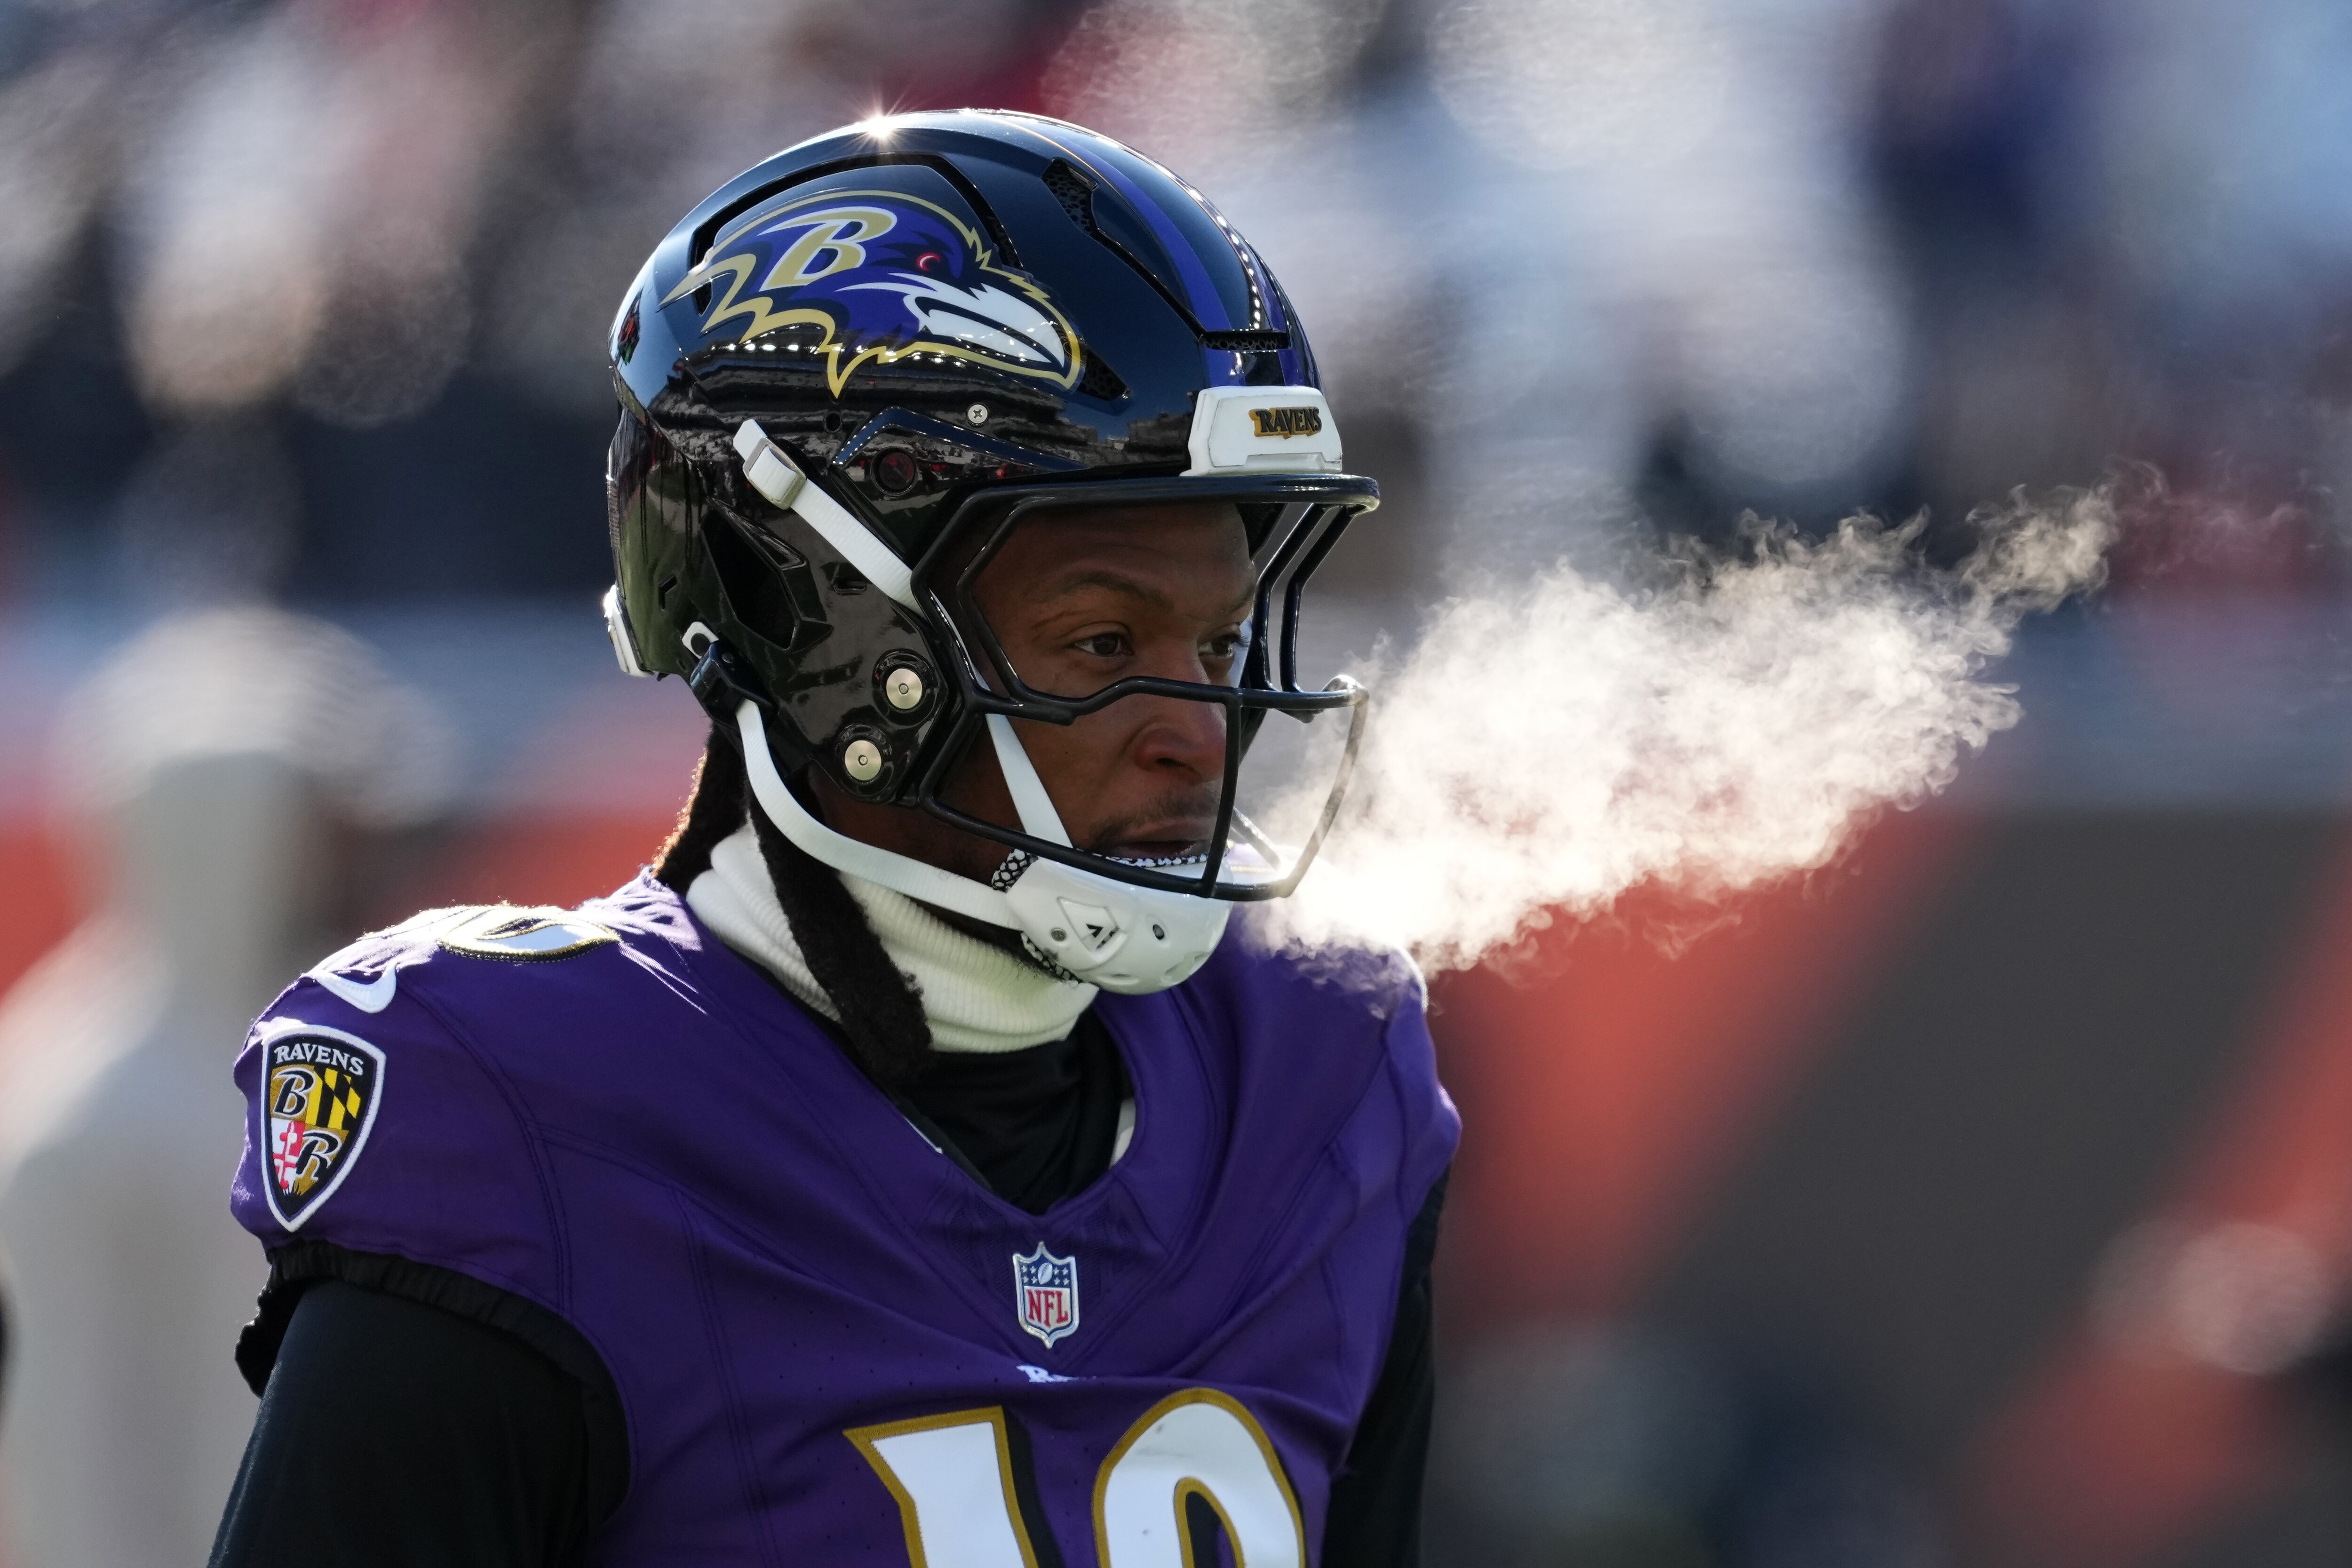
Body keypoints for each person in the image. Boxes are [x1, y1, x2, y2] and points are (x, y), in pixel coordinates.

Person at [209, 111, 1457, 1566]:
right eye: (1105, 636)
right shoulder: (530, 1105)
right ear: (819, 628)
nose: (1204, 724)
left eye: (1222, 637)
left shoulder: (1313, 1068)